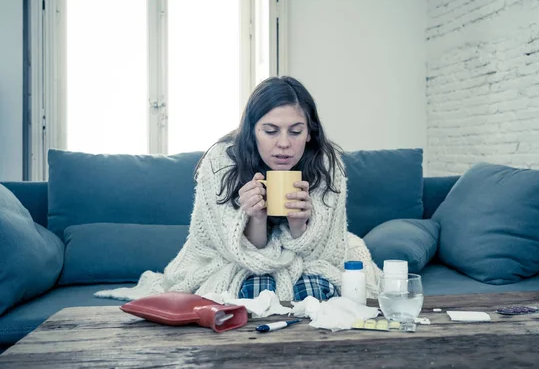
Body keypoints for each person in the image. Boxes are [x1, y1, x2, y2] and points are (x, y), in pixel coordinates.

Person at [96, 76, 380, 302]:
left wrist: (299, 225)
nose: (284, 143)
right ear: (251, 130)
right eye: (270, 131)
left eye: (295, 131)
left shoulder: (327, 165)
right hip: (235, 258)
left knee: (314, 290)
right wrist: (253, 217)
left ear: (310, 133)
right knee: (256, 289)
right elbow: (228, 248)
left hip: (307, 257)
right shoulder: (221, 161)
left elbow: (323, 254)